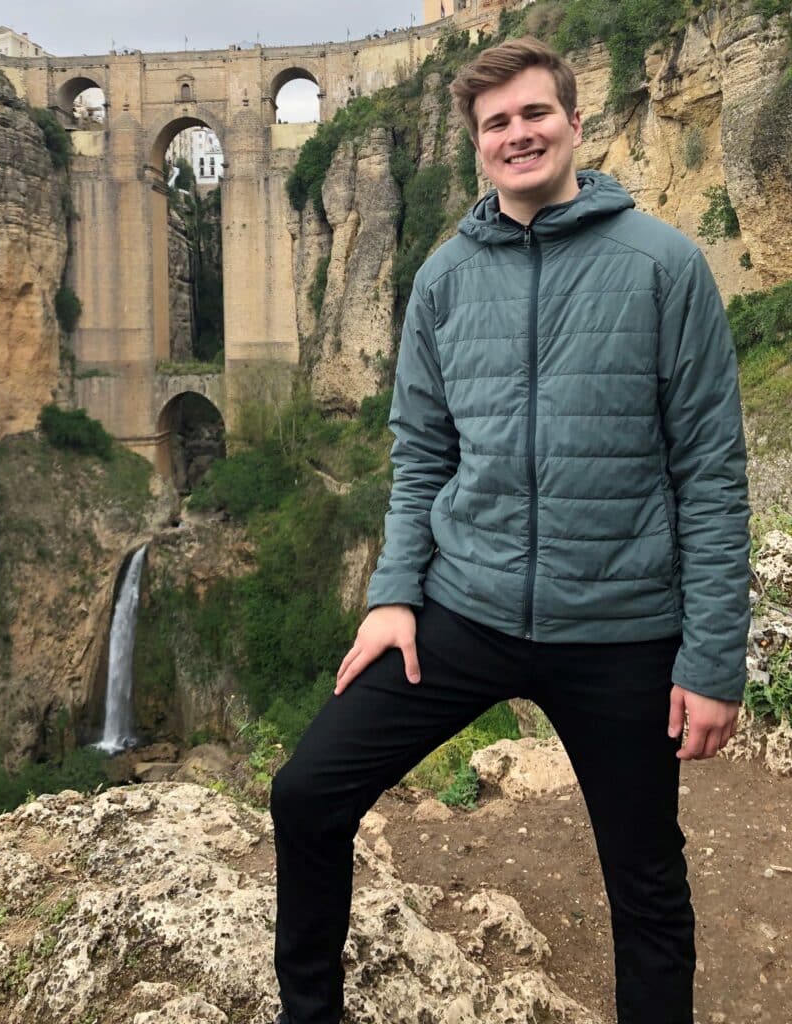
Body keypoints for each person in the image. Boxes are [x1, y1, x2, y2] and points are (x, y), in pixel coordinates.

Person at [270, 36, 750, 1024]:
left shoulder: (664, 266)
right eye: (496, 123)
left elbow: (709, 467)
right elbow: (422, 451)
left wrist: (711, 658)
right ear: (477, 146)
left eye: (535, 113)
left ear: (576, 122)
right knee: (306, 793)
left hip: (619, 628)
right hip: (466, 610)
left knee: (646, 885)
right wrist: (393, 596)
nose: (517, 133)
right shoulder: (445, 279)